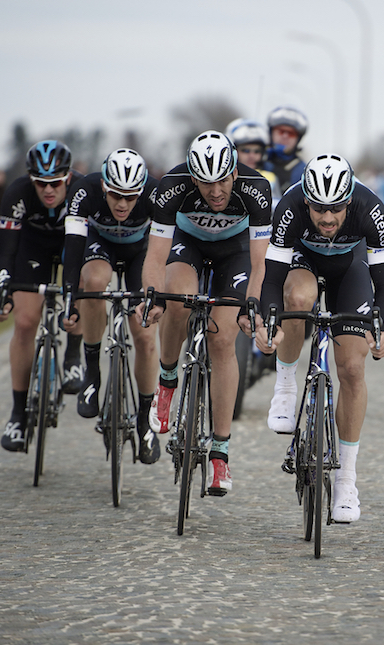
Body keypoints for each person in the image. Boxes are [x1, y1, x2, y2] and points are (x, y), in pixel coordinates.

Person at [254, 154, 384, 523]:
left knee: (351, 367)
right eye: (319, 209)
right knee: (298, 299)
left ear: (349, 200)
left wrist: (381, 331)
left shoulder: (371, 209)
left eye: (335, 208)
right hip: (303, 262)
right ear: (306, 202)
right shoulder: (288, 207)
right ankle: (285, 388)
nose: (328, 218)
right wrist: (270, 324)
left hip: (351, 268)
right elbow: (271, 279)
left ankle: (347, 480)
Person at [141, 130, 272, 496]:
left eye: (222, 182)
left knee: (223, 338)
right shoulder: (172, 185)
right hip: (188, 245)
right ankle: (167, 380)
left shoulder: (256, 188)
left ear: (234, 173)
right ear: (193, 178)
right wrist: (153, 297)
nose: (215, 193)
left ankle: (220, 452)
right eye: (205, 184)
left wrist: (253, 305)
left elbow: (261, 264)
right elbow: (154, 256)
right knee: (178, 298)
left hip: (237, 252)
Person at [61, 149, 162, 464]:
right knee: (92, 281)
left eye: (131, 197)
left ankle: (145, 420)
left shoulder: (155, 195)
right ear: (104, 187)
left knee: (145, 337)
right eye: (116, 195)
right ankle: (92, 374)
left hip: (139, 255)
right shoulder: (84, 190)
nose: (122, 204)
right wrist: (70, 299)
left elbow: (163, 251)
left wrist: (154, 295)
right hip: (99, 246)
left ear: (141, 191)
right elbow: (73, 248)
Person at [0, 140, 84, 452]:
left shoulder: (82, 191)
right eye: (41, 183)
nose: (48, 190)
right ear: (31, 179)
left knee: (84, 282)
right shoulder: (17, 193)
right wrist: (4, 291)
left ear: (68, 177)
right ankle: (18, 414)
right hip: (33, 250)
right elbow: (5, 251)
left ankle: (73, 356)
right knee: (26, 322)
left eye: (55, 183)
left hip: (72, 245)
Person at [226, 118, 278, 198]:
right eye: (245, 151)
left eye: (257, 151)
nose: (252, 156)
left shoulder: (270, 178)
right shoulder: (222, 176)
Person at [263, 105, 309, 195]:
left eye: (291, 133)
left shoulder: (302, 172)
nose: (285, 136)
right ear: (271, 132)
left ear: (298, 139)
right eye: (280, 131)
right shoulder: (257, 158)